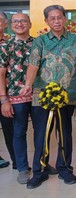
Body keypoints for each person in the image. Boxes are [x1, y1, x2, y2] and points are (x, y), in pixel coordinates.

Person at [20, 5, 76, 189]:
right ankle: (39, 171)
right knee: (41, 134)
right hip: (42, 96)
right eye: (52, 18)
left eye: (60, 17)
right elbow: (33, 65)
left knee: (65, 133)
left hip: (68, 95)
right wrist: (27, 85)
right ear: (46, 21)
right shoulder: (40, 41)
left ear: (65, 18)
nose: (57, 21)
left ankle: (65, 168)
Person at [0, 13, 34, 184]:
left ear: (30, 23)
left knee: (42, 132)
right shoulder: (6, 46)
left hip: (38, 95)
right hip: (15, 96)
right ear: (10, 25)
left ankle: (39, 164)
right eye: (16, 21)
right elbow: (1, 73)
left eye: (23, 21)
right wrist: (3, 100)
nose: (20, 24)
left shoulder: (39, 43)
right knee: (19, 132)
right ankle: (21, 167)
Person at [0, 11, 16, 170]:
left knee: (9, 127)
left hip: (6, 93)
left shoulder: (10, 44)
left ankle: (17, 161)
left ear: (6, 24)